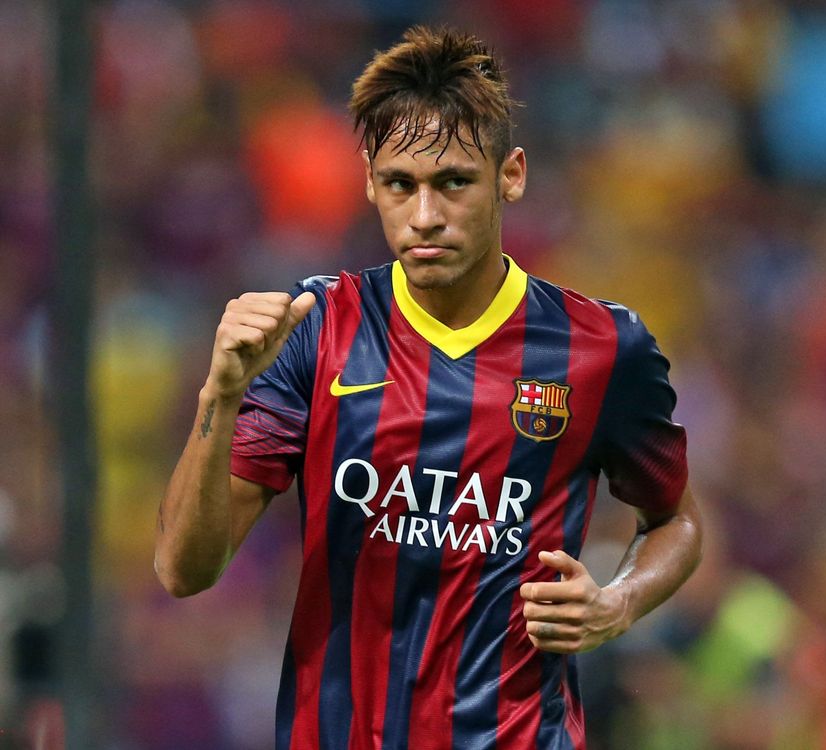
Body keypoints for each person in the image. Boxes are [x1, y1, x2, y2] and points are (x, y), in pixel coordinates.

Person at [153, 26, 702, 750]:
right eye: (399, 185)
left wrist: (618, 603)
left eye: (453, 182)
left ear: (511, 175)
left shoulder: (601, 348)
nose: (424, 217)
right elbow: (184, 570)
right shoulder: (316, 329)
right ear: (368, 182)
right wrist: (219, 398)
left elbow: (675, 521)